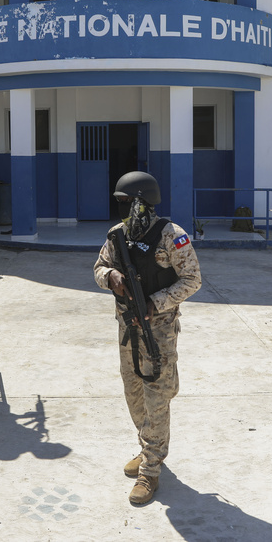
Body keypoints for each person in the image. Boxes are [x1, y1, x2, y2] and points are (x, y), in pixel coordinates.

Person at [93, 171, 201, 505]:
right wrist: (110, 276)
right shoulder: (117, 235)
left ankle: (151, 470)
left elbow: (192, 280)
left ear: (143, 202)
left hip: (159, 330)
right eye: (120, 204)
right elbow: (98, 267)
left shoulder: (173, 236)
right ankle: (147, 447)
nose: (122, 209)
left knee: (157, 394)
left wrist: (156, 302)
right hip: (127, 329)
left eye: (126, 203)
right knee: (133, 392)